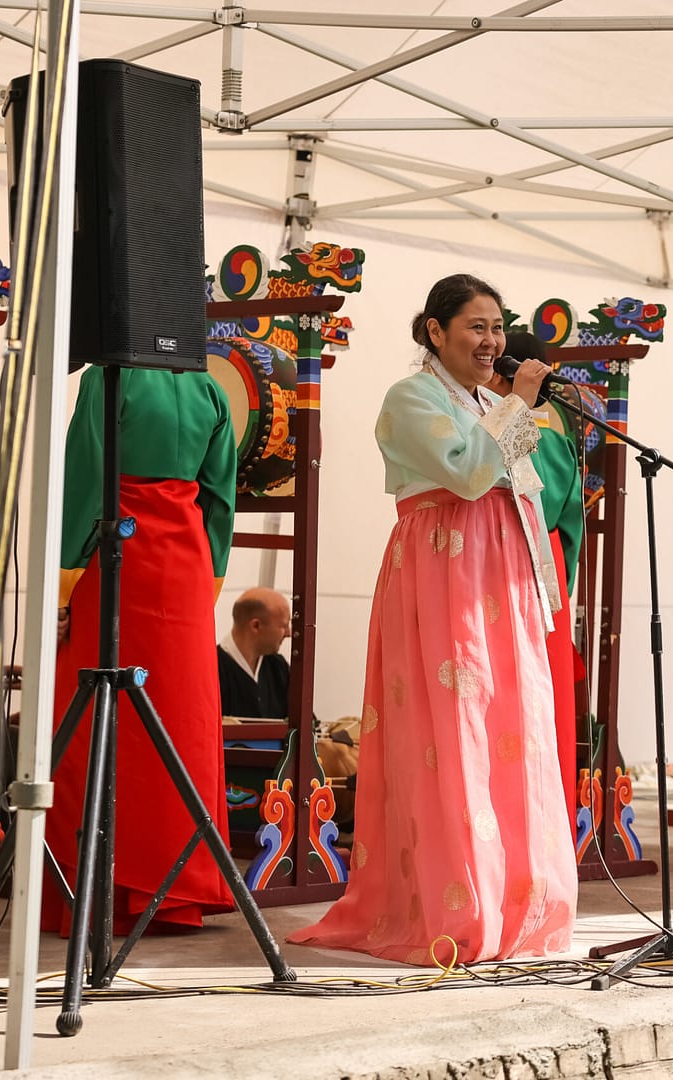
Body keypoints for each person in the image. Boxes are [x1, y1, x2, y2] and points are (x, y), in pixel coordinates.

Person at [288, 273, 576, 965]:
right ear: (435, 331)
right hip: (444, 566)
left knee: (510, 727)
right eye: (477, 326)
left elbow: (528, 491)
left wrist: (538, 589)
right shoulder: (411, 397)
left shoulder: (491, 401)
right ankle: (455, 906)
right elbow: (470, 475)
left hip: (499, 572)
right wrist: (519, 403)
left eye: (497, 327)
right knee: (452, 730)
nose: (492, 340)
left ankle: (517, 900)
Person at [45, 364, 237, 932]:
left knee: (96, 715)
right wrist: (210, 580)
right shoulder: (210, 389)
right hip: (187, 563)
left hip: (117, 555)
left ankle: (97, 889)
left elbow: (85, 477)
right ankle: (177, 888)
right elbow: (221, 499)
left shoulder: (108, 378)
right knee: (179, 717)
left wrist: (62, 581)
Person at [498, 330, 585, 833]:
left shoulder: (502, 431)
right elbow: (571, 530)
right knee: (547, 701)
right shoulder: (562, 441)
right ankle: (551, 826)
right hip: (549, 570)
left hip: (505, 561)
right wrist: (559, 592)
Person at [217, 587, 292, 720]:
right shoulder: (213, 668)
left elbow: (308, 724)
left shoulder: (278, 668)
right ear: (256, 625)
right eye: (284, 625)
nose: (289, 633)